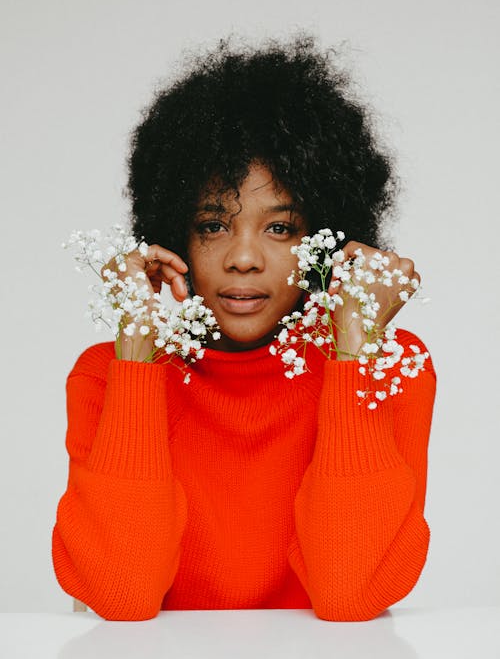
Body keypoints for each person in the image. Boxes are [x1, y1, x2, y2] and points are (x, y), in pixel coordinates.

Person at [52, 34, 436, 622]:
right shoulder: (109, 375)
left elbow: (350, 592)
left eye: (280, 228)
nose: (244, 258)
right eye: (213, 225)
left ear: (324, 237)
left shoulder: (389, 368)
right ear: (174, 234)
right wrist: (135, 354)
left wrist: (352, 349)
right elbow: (122, 597)